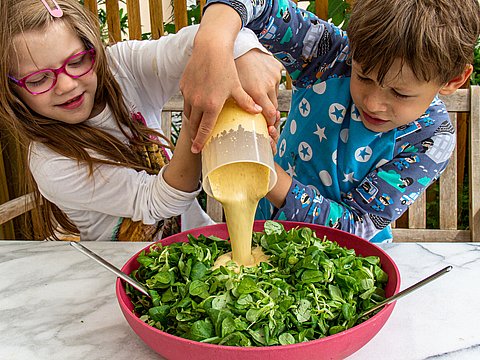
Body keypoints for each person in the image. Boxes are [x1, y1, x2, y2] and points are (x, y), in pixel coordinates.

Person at [181, 0, 480, 242]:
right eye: (363, 76)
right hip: (259, 226)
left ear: (454, 80)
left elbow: (356, 225)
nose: (373, 103)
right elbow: (258, 6)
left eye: (400, 94)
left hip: (344, 265)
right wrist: (215, 42)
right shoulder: (329, 56)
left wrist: (265, 175)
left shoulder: (430, 138)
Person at [0, 0, 281, 241]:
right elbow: (159, 201)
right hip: (129, 271)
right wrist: (195, 112)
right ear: (12, 90)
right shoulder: (50, 163)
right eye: (38, 79)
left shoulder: (122, 67)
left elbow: (195, 43)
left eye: (76, 62)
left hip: (200, 242)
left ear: (93, 50)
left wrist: (242, 53)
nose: (66, 85)